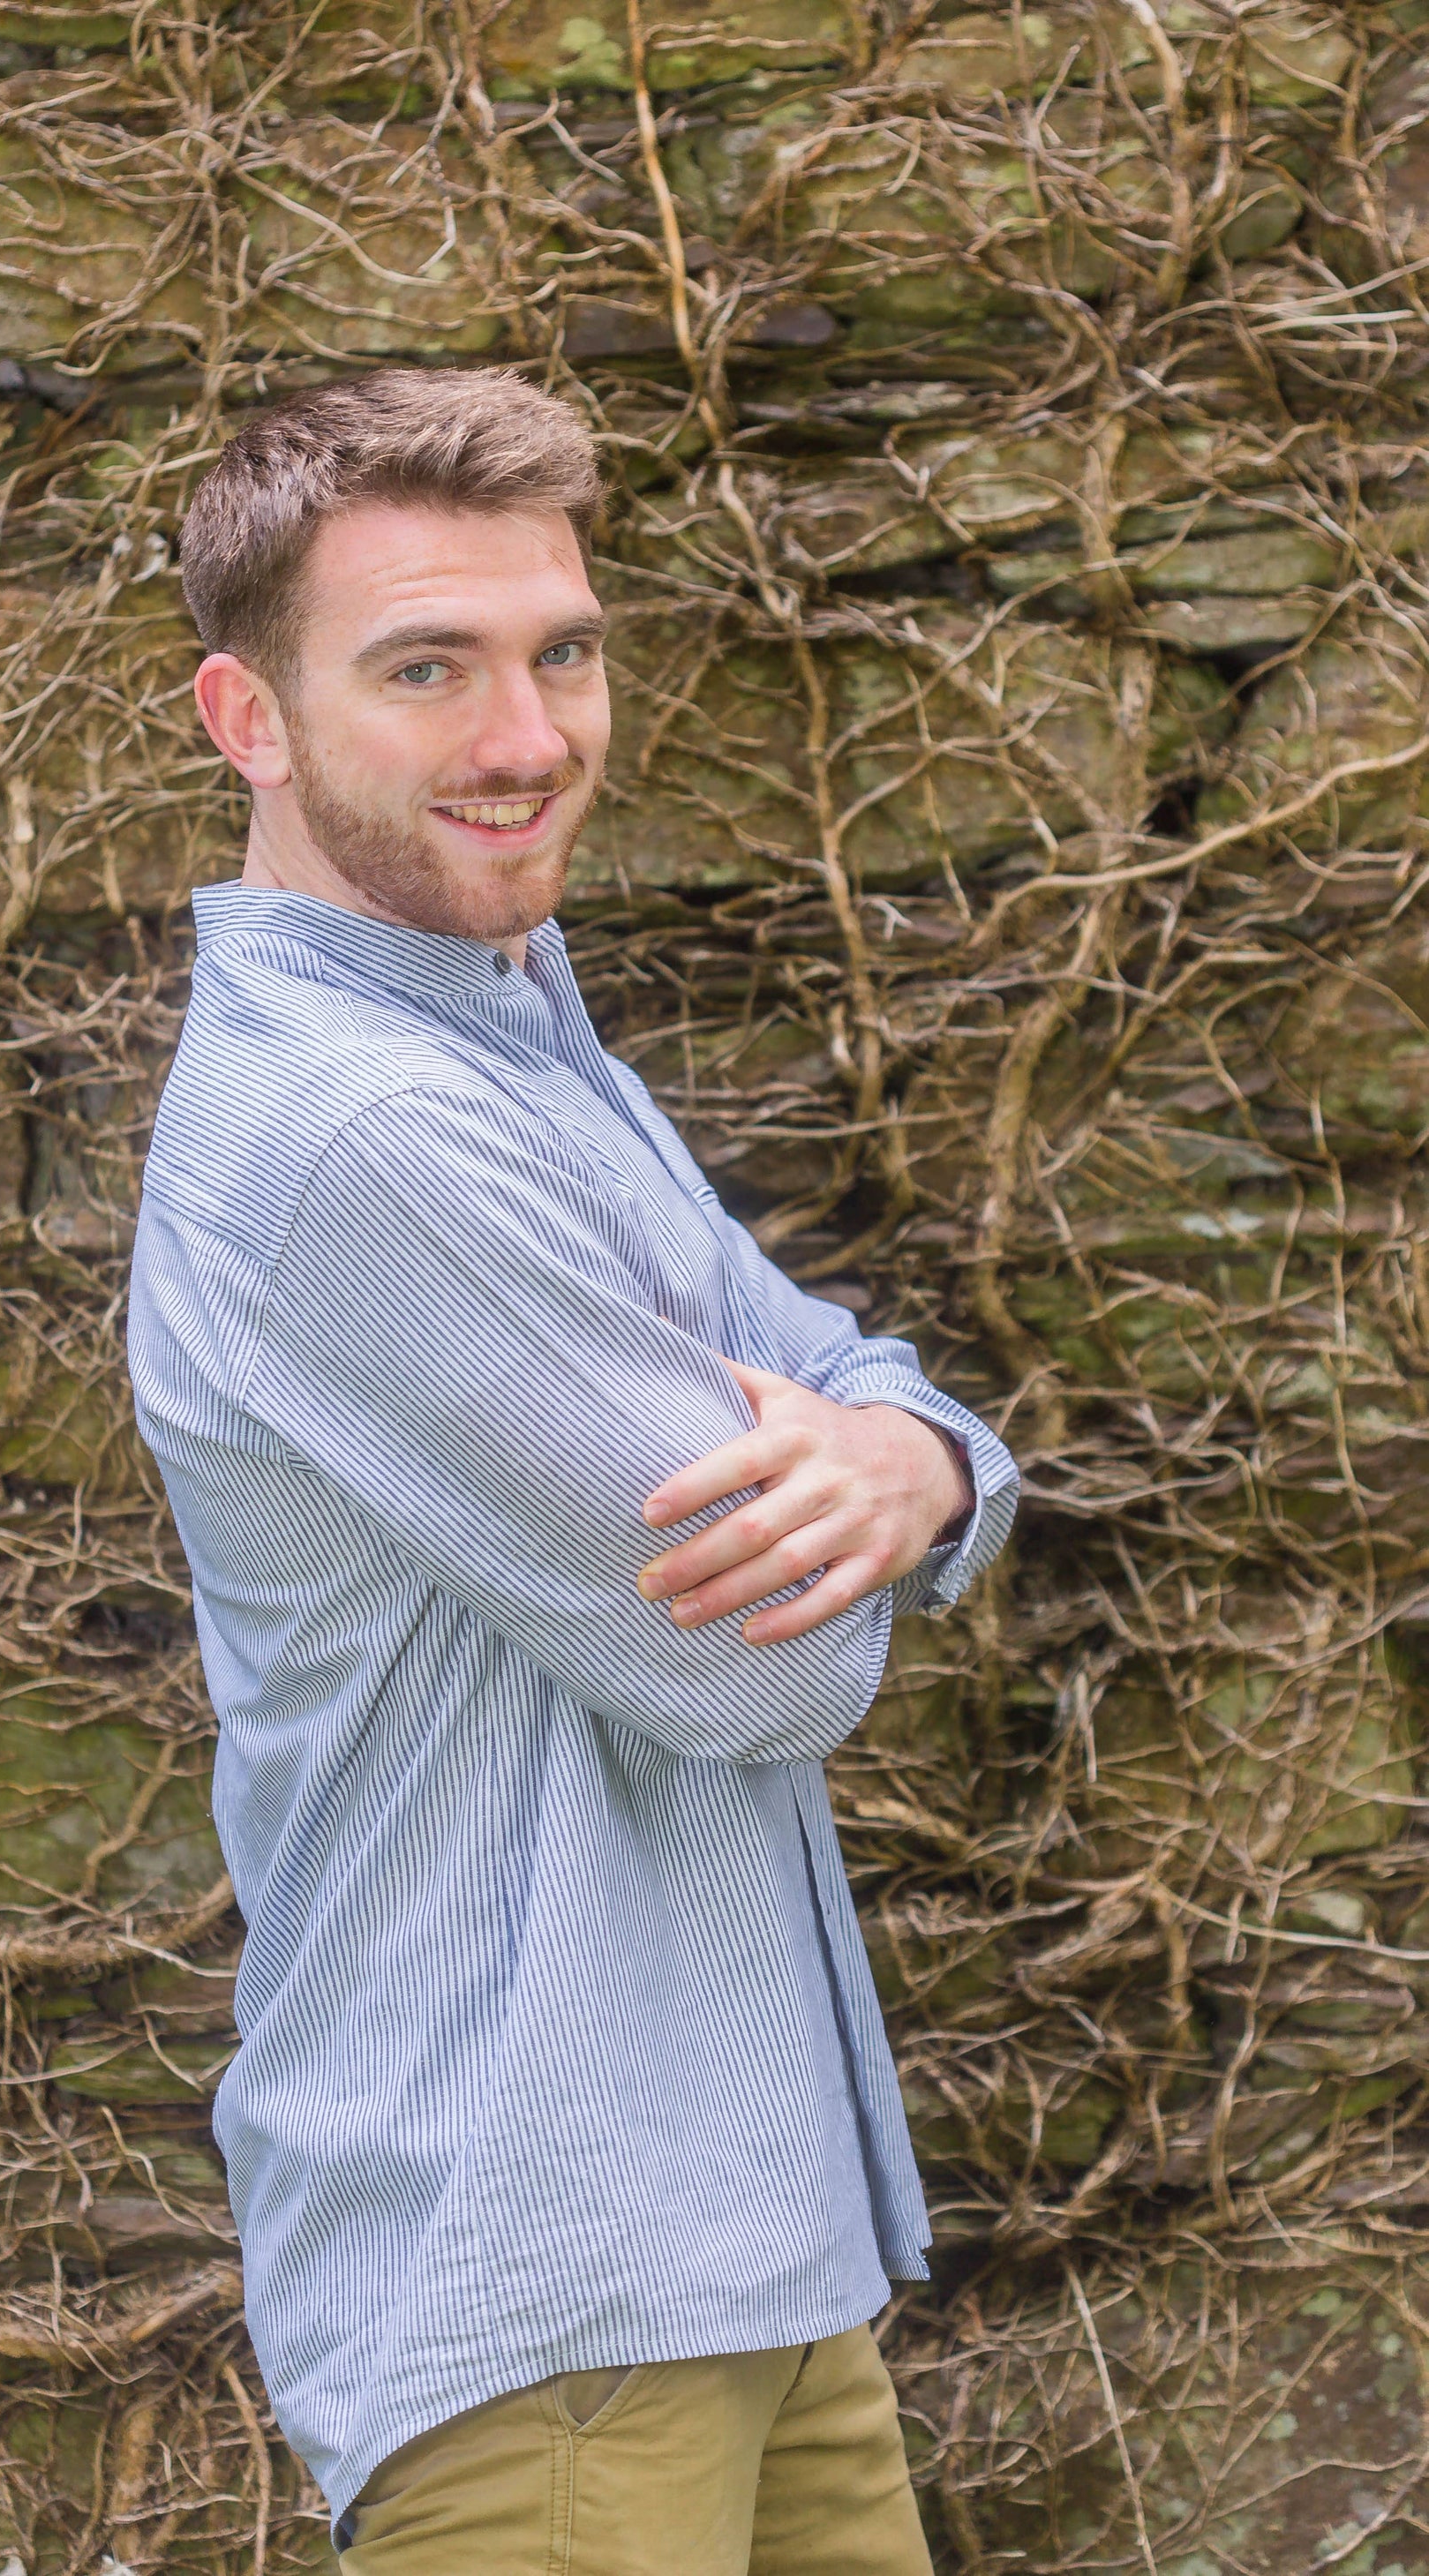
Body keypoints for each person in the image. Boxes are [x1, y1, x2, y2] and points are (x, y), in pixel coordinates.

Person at [129, 366, 1019, 2574]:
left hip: (736, 2233)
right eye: (425, 667)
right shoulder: (361, 1131)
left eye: (565, 649)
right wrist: (895, 1474)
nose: (527, 733)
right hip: (539, 2291)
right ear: (248, 720)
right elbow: (758, 1671)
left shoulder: (508, 1012)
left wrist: (911, 1457)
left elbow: (851, 1379)